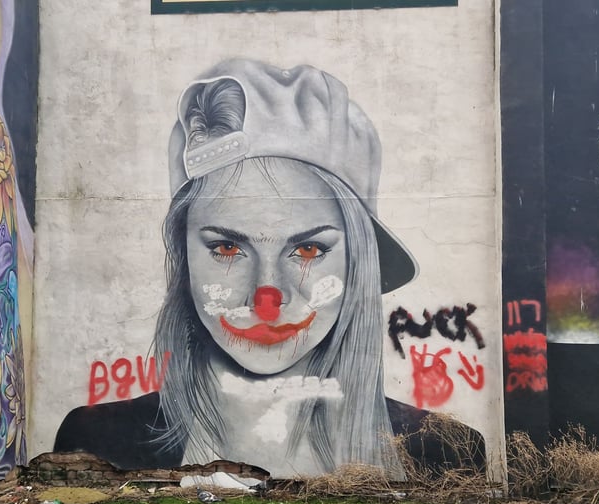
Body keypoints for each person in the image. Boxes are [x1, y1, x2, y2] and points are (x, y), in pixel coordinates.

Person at [55, 59, 484, 479]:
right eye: (226, 246)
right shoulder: (97, 443)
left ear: (359, 262)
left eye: (310, 249)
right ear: (184, 256)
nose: (267, 298)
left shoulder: (443, 453)